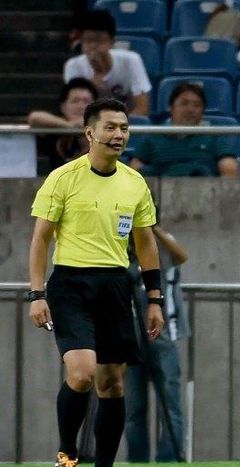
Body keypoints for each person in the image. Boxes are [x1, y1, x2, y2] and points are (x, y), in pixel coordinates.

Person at [28, 97, 165, 467]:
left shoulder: (135, 183)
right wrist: (37, 294)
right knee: (82, 372)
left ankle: (104, 463)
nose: (119, 134)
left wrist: (155, 300)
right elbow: (41, 238)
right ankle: (68, 452)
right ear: (90, 132)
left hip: (115, 285)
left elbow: (146, 242)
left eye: (124, 127)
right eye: (111, 127)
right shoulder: (63, 177)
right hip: (70, 283)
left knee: (112, 384)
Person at [125, 221, 189, 462]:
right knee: (133, 408)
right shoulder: (120, 243)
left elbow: (181, 256)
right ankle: (137, 459)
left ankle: (169, 458)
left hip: (164, 337)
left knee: (170, 405)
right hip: (131, 337)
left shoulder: (161, 241)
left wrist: (154, 230)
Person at [129, 83, 239, 177]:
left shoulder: (213, 136)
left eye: (197, 105)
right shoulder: (155, 135)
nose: (190, 110)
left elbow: (229, 168)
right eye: (184, 103)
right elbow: (135, 167)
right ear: (171, 108)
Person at [64, 9, 151, 115]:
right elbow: (74, 111)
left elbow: (142, 108)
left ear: (112, 42)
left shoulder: (131, 61)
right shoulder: (73, 66)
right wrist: (96, 76)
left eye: (99, 40)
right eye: (88, 40)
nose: (93, 46)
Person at [28, 78, 98, 173]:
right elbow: (34, 118)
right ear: (63, 107)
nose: (80, 106)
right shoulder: (57, 128)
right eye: (75, 101)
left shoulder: (102, 130)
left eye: (86, 102)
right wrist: (71, 127)